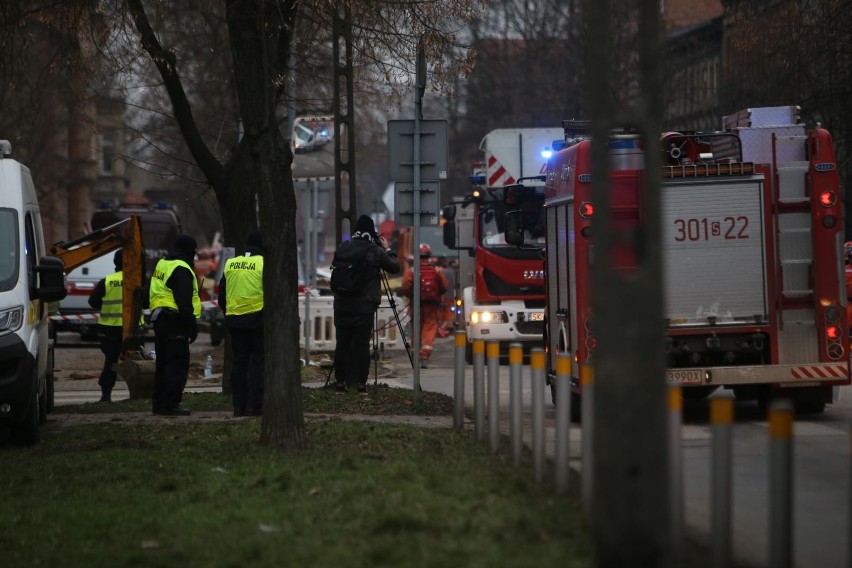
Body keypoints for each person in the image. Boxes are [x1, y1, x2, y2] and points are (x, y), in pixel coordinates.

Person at [332, 215, 400, 393]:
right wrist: (387, 249)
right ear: (372, 232)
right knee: (362, 345)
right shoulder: (374, 251)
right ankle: (361, 383)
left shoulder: (343, 247)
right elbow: (394, 268)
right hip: (364, 307)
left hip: (341, 304)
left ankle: (340, 382)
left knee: (342, 344)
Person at [149, 234, 201, 416]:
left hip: (160, 319)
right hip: (176, 321)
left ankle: (159, 403)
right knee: (177, 365)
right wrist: (192, 326)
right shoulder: (182, 269)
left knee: (163, 364)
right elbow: (184, 302)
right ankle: (171, 404)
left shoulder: (163, 263)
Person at [219, 230, 264, 416]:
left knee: (239, 364)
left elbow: (222, 293)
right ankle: (256, 405)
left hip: (235, 321)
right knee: (258, 362)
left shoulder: (231, 263)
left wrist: (229, 312)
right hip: (257, 319)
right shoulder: (263, 263)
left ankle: (238, 406)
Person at [402, 243, 449, 368]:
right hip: (432, 305)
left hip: (415, 304)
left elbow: (406, 287)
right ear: (429, 255)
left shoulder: (410, 271)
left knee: (415, 326)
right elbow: (444, 287)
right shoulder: (437, 270)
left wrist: (411, 297)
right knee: (430, 327)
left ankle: (414, 351)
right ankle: (424, 354)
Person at [87, 249, 125, 402]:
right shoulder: (136, 280)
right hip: (133, 330)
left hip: (110, 328)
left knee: (110, 362)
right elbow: (146, 302)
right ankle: (138, 394)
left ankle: (106, 394)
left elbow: (93, 302)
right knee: (136, 361)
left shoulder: (107, 281)